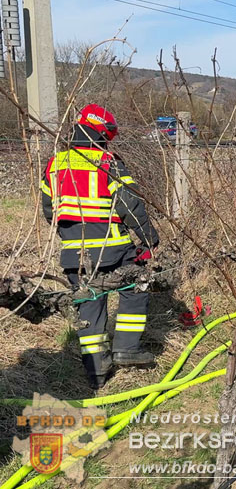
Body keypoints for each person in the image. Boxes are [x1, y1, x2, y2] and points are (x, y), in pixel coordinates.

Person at [40, 104, 160, 389]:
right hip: (113, 249)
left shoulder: (55, 163)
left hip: (74, 255)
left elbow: (49, 210)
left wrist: (71, 239)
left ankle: (96, 372)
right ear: (101, 133)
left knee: (88, 307)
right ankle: (126, 349)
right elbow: (130, 204)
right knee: (137, 286)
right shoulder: (107, 162)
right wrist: (149, 238)